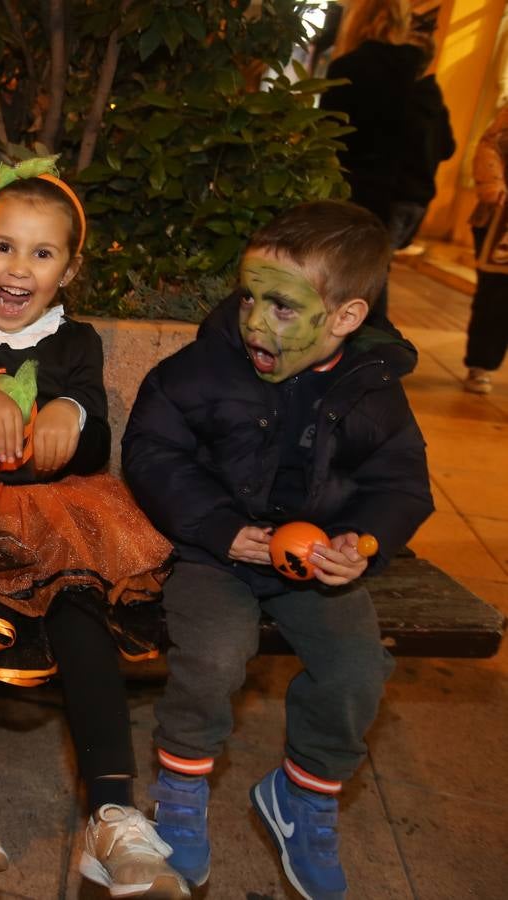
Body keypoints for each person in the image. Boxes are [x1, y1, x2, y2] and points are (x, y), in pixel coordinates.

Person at [122, 201, 434, 900]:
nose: (258, 321)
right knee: (212, 654)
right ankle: (180, 796)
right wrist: (218, 527)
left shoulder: (372, 392)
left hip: (314, 567)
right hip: (213, 554)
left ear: (346, 318)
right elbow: (152, 452)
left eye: (285, 308)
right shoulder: (202, 371)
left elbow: (401, 485)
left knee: (356, 667)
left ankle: (304, 794)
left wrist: (364, 542)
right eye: (250, 297)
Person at [0, 157, 186, 899]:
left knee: (82, 621)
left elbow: (95, 442)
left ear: (68, 269)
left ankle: (112, 813)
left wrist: (72, 414)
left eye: (43, 253)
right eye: (4, 246)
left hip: (63, 529)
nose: (19, 268)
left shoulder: (75, 344)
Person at [320, 0, 455, 325]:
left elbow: (326, 132)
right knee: (373, 269)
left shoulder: (349, 68)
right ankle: (374, 346)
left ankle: (368, 346)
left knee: (356, 271)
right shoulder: (414, 76)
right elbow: (437, 143)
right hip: (398, 193)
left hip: (355, 186)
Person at [464, 103, 508, 394]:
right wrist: (494, 186)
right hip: (501, 216)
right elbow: (490, 144)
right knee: (498, 294)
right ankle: (481, 364)